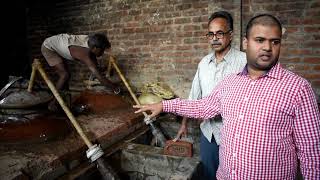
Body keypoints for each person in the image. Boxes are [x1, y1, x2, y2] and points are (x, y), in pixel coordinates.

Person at [134, 14, 320, 179]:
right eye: (260, 40)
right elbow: (203, 106)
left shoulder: (298, 88)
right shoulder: (230, 83)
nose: (267, 48)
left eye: (275, 41)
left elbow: (312, 152)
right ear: (246, 43)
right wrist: (164, 106)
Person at [174, 11, 246, 180]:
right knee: (209, 175)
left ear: (230, 35)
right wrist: (184, 124)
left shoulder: (244, 62)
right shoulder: (204, 64)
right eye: (211, 34)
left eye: (220, 33)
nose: (215, 38)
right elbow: (193, 97)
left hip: (236, 135)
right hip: (209, 134)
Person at [41, 33, 119, 111]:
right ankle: (53, 103)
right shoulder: (84, 53)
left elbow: (96, 68)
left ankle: (67, 105)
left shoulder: (91, 43)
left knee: (66, 77)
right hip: (49, 46)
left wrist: (103, 69)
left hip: (60, 43)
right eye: (102, 50)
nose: (102, 53)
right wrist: (115, 88)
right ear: (95, 48)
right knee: (64, 75)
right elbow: (99, 77)